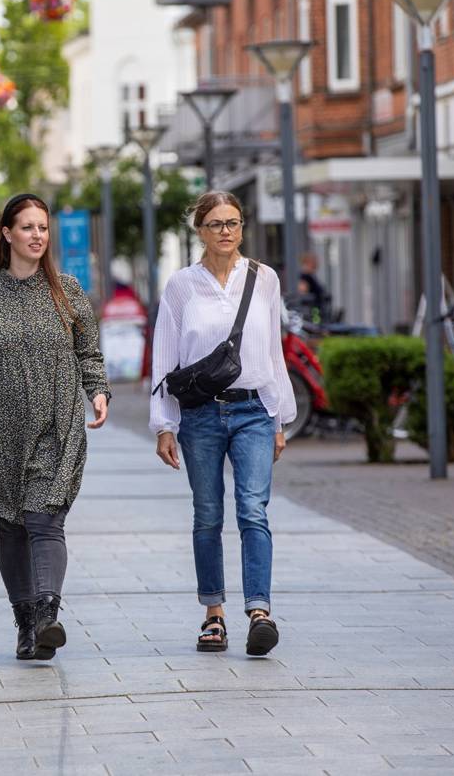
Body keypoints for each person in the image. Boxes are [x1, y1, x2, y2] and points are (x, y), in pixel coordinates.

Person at [0, 193, 110, 662]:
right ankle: (25, 623)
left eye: (43, 227)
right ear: (8, 234)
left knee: (45, 518)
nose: (38, 235)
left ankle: (47, 615)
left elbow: (88, 352)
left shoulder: (66, 290)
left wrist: (97, 390)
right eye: (28, 227)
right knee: (12, 527)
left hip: (56, 424)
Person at [150, 191, 296, 658]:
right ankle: (213, 614)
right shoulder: (181, 285)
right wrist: (164, 424)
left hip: (254, 410)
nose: (226, 231)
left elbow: (273, 350)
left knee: (253, 509)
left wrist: (279, 417)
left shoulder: (264, 279)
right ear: (200, 231)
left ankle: (260, 612)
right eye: (216, 224)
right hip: (200, 415)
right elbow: (164, 357)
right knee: (208, 514)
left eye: (233, 222)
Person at [297, 251, 330, 322]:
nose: (317, 263)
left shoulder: (311, 276)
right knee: (316, 324)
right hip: (314, 311)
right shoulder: (305, 276)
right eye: (314, 261)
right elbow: (303, 293)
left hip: (318, 308)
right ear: (308, 262)